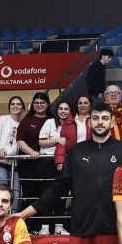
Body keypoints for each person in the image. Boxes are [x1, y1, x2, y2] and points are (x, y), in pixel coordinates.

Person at [15, 101, 122, 244]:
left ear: (112, 122)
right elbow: (58, 188)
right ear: (89, 122)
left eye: (105, 118)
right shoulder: (76, 152)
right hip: (81, 227)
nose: (100, 122)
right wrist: (25, 213)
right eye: (96, 118)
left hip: (112, 229)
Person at [16, 93, 52, 233]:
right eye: (36, 102)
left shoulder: (52, 119)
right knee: (30, 194)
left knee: (46, 194)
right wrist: (31, 152)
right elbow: (20, 140)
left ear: (47, 104)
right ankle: (31, 226)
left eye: (42, 102)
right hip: (28, 164)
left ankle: (45, 226)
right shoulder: (26, 120)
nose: (39, 105)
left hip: (47, 163)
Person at [38, 100, 72, 234]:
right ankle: (44, 226)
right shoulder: (50, 122)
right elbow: (41, 142)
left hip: (65, 162)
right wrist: (57, 140)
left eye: (66, 109)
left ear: (70, 111)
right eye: (60, 109)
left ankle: (59, 226)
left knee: (61, 195)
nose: (63, 111)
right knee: (46, 194)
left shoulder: (72, 125)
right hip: (47, 161)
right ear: (57, 111)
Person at [0, 96, 25, 209]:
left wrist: (7, 153)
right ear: (9, 107)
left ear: (23, 108)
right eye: (13, 104)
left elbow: (18, 145)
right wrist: (0, 149)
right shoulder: (2, 119)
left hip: (15, 164)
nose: (15, 106)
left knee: (16, 193)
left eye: (18, 104)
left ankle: (13, 217)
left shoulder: (24, 123)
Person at [55, 94, 92, 169]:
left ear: (90, 105)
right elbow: (62, 142)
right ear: (77, 105)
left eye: (85, 103)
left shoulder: (95, 120)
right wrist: (60, 161)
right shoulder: (69, 121)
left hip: (91, 158)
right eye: (80, 103)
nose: (82, 105)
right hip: (73, 158)